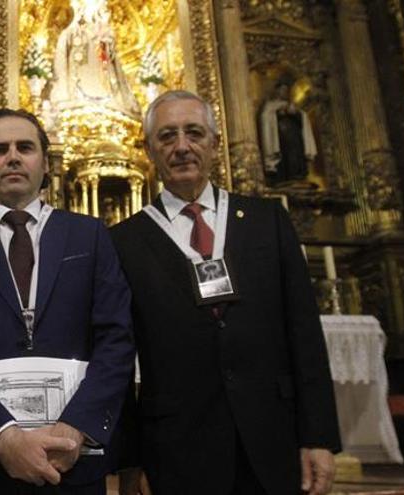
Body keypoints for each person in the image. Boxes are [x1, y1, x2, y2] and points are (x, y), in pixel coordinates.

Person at [111, 90, 340, 495]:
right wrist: (130, 459)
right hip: (177, 449)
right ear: (149, 150)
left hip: (274, 438)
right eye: (167, 136)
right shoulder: (122, 241)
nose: (182, 147)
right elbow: (117, 360)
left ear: (215, 143)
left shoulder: (267, 220)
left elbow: (303, 333)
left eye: (194, 133)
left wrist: (318, 437)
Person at [0, 109, 135, 494]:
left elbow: (116, 337)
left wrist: (76, 429)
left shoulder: (89, 236)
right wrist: (2, 437)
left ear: (45, 163)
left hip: (72, 458)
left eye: (25, 147)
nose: (13, 157)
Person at [50, 0, 140, 118]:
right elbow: (61, 60)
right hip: (78, 82)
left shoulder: (105, 32)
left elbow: (112, 62)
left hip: (103, 78)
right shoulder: (71, 33)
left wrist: (107, 43)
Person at [259, 78, 317, 183]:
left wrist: (295, 114)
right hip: (280, 138)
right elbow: (265, 118)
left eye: (286, 90)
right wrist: (278, 114)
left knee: (296, 156)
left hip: (295, 137)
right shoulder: (270, 105)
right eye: (282, 90)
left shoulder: (292, 105)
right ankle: (284, 177)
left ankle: (298, 175)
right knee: (285, 157)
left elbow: (302, 119)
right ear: (277, 91)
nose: (284, 93)